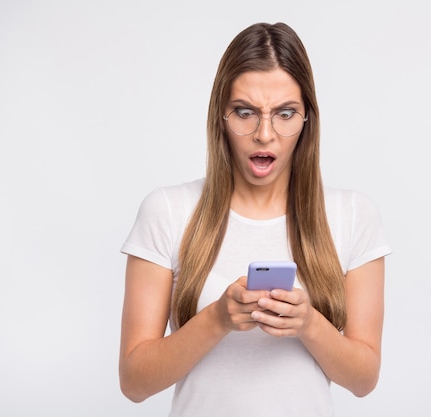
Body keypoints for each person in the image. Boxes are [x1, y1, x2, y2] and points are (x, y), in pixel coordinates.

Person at [119, 22, 391, 417]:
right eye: (245, 112)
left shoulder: (353, 215)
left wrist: (308, 325)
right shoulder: (168, 210)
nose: (265, 134)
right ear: (221, 116)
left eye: (285, 113)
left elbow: (364, 380)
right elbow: (134, 382)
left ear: (306, 120)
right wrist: (217, 318)